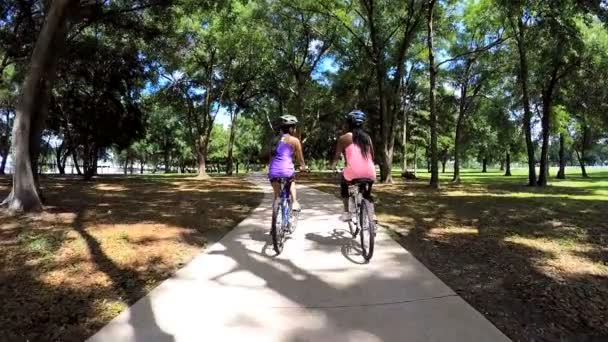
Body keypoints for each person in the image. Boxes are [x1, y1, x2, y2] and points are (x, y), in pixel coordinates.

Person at [329, 110, 376, 221]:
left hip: (353, 171)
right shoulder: (367, 138)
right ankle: (372, 214)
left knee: (344, 184)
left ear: (348, 123)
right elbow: (372, 156)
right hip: (370, 171)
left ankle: (346, 212)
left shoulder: (344, 138)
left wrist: (333, 167)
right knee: (367, 194)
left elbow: (336, 157)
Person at [268, 114, 306, 211]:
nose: (295, 130)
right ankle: (294, 202)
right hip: (287, 171)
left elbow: (271, 157)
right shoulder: (294, 140)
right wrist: (303, 167)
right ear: (290, 129)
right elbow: (300, 158)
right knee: (291, 182)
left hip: (273, 171)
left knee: (277, 194)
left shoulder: (274, 140)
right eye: (294, 128)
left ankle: (276, 202)